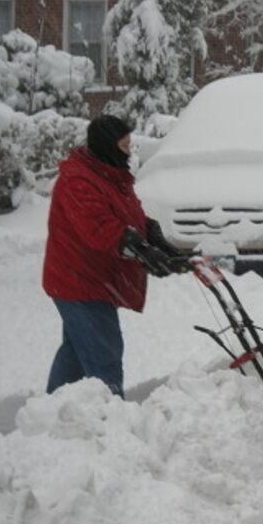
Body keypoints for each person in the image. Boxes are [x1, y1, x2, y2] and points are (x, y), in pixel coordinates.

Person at [42, 114, 185, 398]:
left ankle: (53, 415)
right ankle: (111, 420)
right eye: (124, 144)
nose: (129, 151)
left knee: (76, 353)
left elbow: (125, 214)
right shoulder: (78, 181)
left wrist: (151, 234)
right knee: (103, 353)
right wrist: (140, 249)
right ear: (108, 145)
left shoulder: (107, 173)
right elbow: (100, 228)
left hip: (91, 278)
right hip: (79, 281)